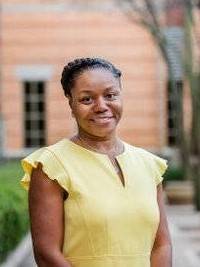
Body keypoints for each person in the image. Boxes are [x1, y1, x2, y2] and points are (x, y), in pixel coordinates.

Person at [21, 57, 172, 267]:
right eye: (87, 99)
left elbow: (161, 245)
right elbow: (47, 255)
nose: (101, 106)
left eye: (111, 95)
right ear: (70, 102)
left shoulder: (149, 165)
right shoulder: (51, 166)